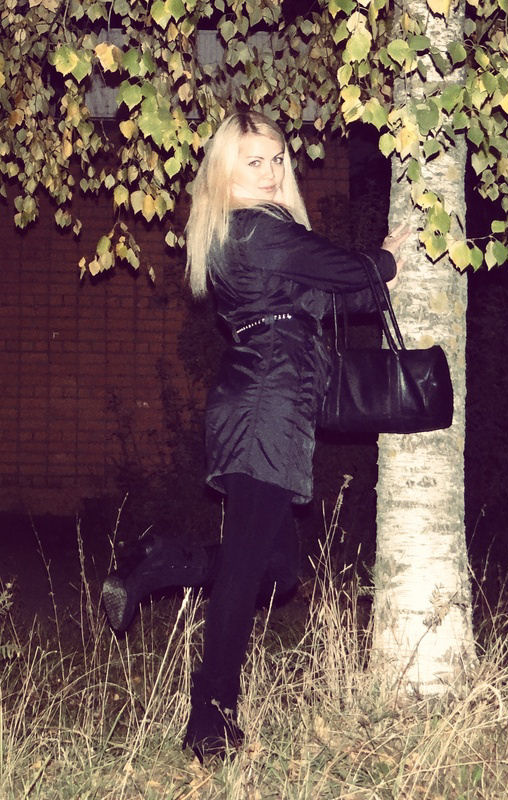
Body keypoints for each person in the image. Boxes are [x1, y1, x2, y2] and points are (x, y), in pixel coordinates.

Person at [101, 110, 407, 763]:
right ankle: (210, 724)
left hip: (264, 403)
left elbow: (334, 297)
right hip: (267, 405)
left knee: (277, 571)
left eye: (277, 159)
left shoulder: (248, 237)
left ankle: (158, 561)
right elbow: (350, 270)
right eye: (254, 162)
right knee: (244, 576)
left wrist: (376, 276)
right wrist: (386, 257)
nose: (270, 173)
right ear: (226, 173)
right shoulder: (256, 230)